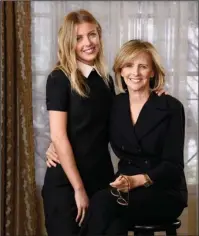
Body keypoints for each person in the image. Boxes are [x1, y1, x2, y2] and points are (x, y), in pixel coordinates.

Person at [42, 9, 167, 236]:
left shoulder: (106, 80)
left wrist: (153, 93)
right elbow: (59, 135)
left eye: (92, 34)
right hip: (67, 185)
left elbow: (123, 119)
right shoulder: (59, 78)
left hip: (102, 183)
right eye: (79, 38)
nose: (88, 43)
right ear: (68, 42)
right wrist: (78, 189)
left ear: (99, 35)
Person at [78, 39, 188, 236]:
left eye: (143, 66)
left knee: (102, 202)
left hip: (164, 192)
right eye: (128, 65)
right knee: (114, 224)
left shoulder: (170, 107)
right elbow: (90, 133)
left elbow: (173, 165)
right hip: (126, 190)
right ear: (120, 70)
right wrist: (55, 143)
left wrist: (138, 180)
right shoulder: (115, 105)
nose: (135, 73)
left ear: (152, 72)